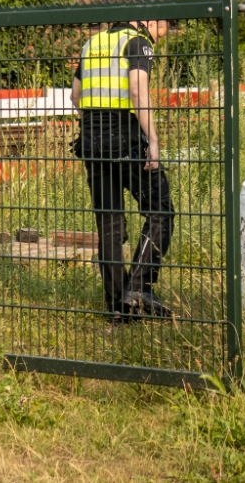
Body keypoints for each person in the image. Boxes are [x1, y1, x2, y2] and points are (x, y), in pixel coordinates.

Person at [70, 20, 175, 323]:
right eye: (161, 31)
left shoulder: (92, 44)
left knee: (110, 224)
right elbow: (138, 93)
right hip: (125, 142)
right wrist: (152, 141)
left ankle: (119, 310)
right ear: (150, 22)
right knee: (160, 209)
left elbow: (75, 97)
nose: (157, 39)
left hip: (91, 142)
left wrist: (96, 128)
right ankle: (139, 287)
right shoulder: (137, 42)